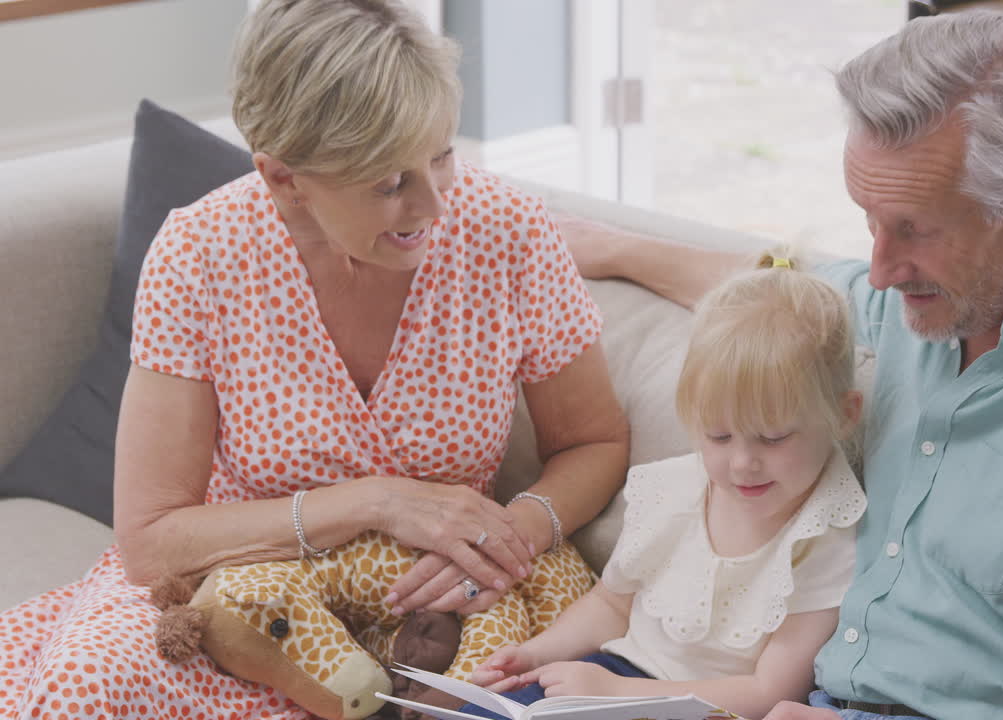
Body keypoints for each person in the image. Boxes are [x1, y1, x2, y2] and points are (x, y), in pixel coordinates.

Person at [561, 9, 1003, 720]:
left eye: (915, 229)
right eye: (869, 220)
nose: (878, 270)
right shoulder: (919, 302)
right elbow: (780, 287)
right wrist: (613, 250)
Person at [0, 1, 629, 718]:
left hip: (447, 606)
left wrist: (508, 538)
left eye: (442, 156)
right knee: (84, 692)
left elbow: (593, 440)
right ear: (283, 178)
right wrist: (374, 500)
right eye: (390, 183)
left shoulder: (508, 234)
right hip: (246, 601)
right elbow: (151, 544)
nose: (434, 203)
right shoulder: (199, 256)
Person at [454, 252, 868, 720]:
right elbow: (612, 604)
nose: (742, 464)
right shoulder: (673, 490)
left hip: (712, 708)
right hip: (613, 672)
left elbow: (770, 691)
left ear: (845, 414)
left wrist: (616, 693)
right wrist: (535, 654)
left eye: (773, 438)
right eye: (718, 435)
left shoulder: (828, 535)